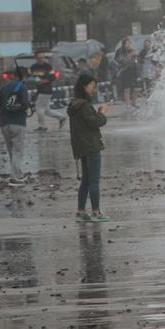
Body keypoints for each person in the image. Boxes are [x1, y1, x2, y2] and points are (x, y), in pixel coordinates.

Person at [68, 74, 109, 222]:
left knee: (86, 180)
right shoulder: (84, 105)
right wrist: (102, 113)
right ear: (85, 86)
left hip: (81, 147)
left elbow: (86, 123)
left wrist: (96, 113)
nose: (94, 89)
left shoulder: (75, 104)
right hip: (91, 146)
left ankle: (80, 212)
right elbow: (94, 123)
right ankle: (96, 213)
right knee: (94, 180)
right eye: (92, 85)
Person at [0, 67, 31, 186]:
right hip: (18, 123)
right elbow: (24, 104)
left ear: (13, 75)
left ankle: (17, 174)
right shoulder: (22, 87)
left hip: (4, 124)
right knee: (18, 151)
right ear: (23, 76)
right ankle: (14, 178)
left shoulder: (4, 88)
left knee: (11, 151)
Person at [29, 51, 66, 132]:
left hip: (46, 90)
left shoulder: (48, 66)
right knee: (46, 110)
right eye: (39, 58)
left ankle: (42, 126)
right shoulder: (33, 67)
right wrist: (37, 80)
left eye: (42, 58)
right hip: (40, 90)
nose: (41, 59)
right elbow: (32, 76)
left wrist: (44, 81)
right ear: (36, 58)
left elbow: (53, 77)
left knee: (39, 108)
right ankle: (62, 117)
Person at [115, 38, 139, 107]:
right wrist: (130, 55)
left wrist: (133, 52)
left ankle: (134, 102)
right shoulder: (120, 51)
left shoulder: (131, 50)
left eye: (129, 43)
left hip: (133, 70)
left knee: (137, 88)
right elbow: (122, 60)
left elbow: (137, 54)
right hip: (125, 71)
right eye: (127, 43)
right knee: (127, 88)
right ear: (124, 44)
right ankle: (128, 104)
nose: (129, 45)